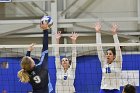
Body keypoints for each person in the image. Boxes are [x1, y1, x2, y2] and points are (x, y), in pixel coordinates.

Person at [17, 22, 53, 93]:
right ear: (32, 64)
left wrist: (28, 51)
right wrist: (45, 30)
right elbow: (45, 47)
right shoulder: (42, 66)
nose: (31, 58)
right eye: (31, 59)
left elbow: (27, 62)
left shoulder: (26, 73)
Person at [94, 22, 122, 93]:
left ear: (114, 56)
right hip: (104, 89)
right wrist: (98, 32)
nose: (108, 55)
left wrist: (114, 34)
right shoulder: (104, 62)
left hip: (115, 90)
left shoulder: (118, 62)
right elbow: (99, 48)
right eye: (107, 54)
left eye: (110, 54)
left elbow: (118, 48)